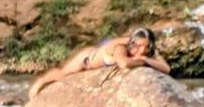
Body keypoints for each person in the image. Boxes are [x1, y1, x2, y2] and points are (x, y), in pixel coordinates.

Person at [28, 26, 170, 98]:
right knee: (63, 73)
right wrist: (143, 61)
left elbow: (166, 69)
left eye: (147, 46)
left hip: (101, 54)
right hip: (87, 59)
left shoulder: (148, 52)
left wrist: (145, 59)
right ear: (132, 43)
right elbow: (124, 64)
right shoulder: (120, 47)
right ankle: (40, 82)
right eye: (139, 46)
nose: (143, 50)